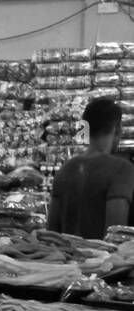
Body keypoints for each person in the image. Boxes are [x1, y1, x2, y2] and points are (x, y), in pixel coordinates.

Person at [47, 97, 134, 239]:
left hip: (66, 258)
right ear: (117, 129)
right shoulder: (122, 170)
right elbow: (116, 233)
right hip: (104, 259)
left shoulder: (65, 169)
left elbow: (51, 234)